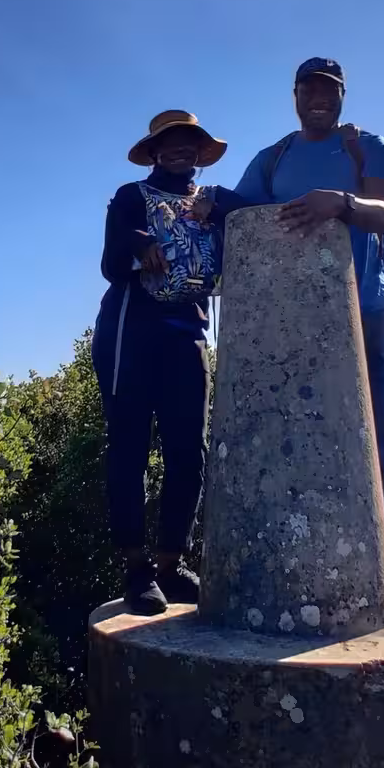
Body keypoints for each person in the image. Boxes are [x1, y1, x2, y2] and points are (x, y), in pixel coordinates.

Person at [233, 59, 384, 617]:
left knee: (381, 436)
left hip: (366, 309)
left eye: (329, 91)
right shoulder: (273, 157)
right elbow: (241, 207)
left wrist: (340, 203)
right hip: (289, 322)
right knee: (289, 437)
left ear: (342, 96)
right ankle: (296, 572)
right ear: (294, 96)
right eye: (309, 90)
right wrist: (203, 203)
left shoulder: (365, 145)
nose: (319, 99)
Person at [92, 109, 245, 615]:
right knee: (130, 448)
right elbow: (111, 263)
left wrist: (219, 208)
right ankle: (136, 569)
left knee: (188, 452)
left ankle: (170, 565)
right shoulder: (131, 197)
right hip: (131, 332)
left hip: (188, 334)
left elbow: (254, 219)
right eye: (171, 143)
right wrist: (142, 245)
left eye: (190, 144)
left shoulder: (213, 202)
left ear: (200, 153)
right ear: (155, 152)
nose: (182, 151)